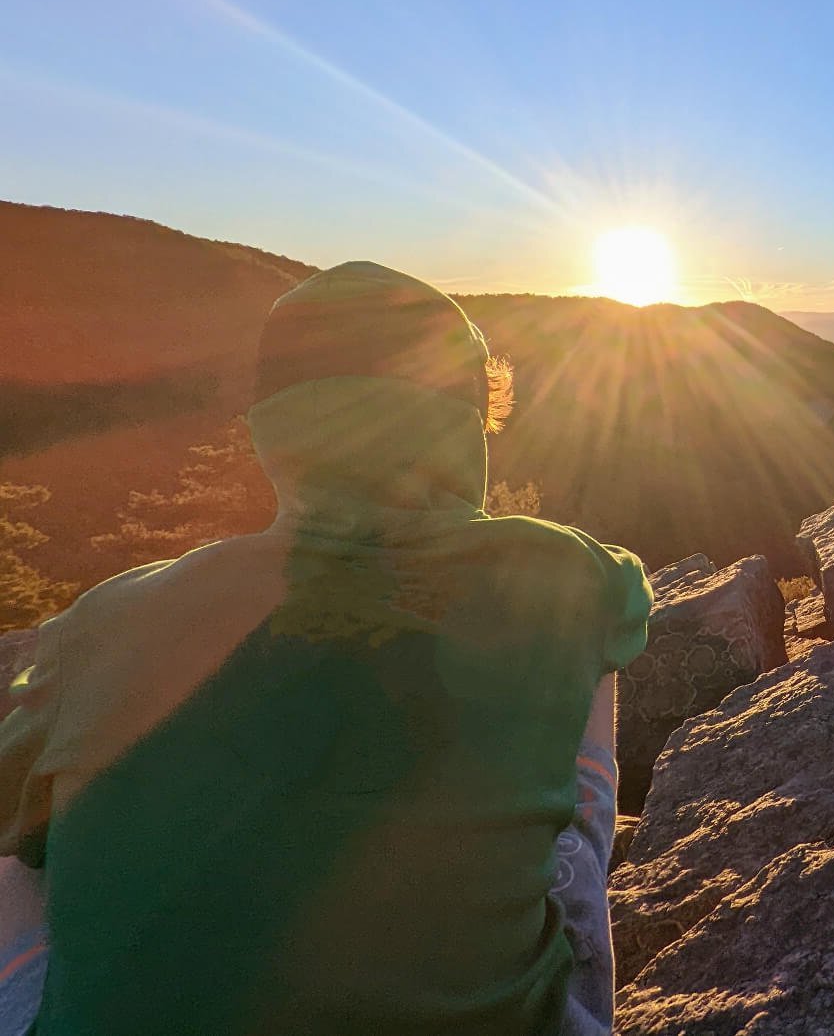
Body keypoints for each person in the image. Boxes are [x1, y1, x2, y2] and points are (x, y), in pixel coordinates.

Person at [0, 262, 652, 1035]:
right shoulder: (570, 570)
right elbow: (629, 609)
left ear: (270, 431)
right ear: (469, 425)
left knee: (23, 862)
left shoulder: (99, 619)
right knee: (583, 676)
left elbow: (18, 817)